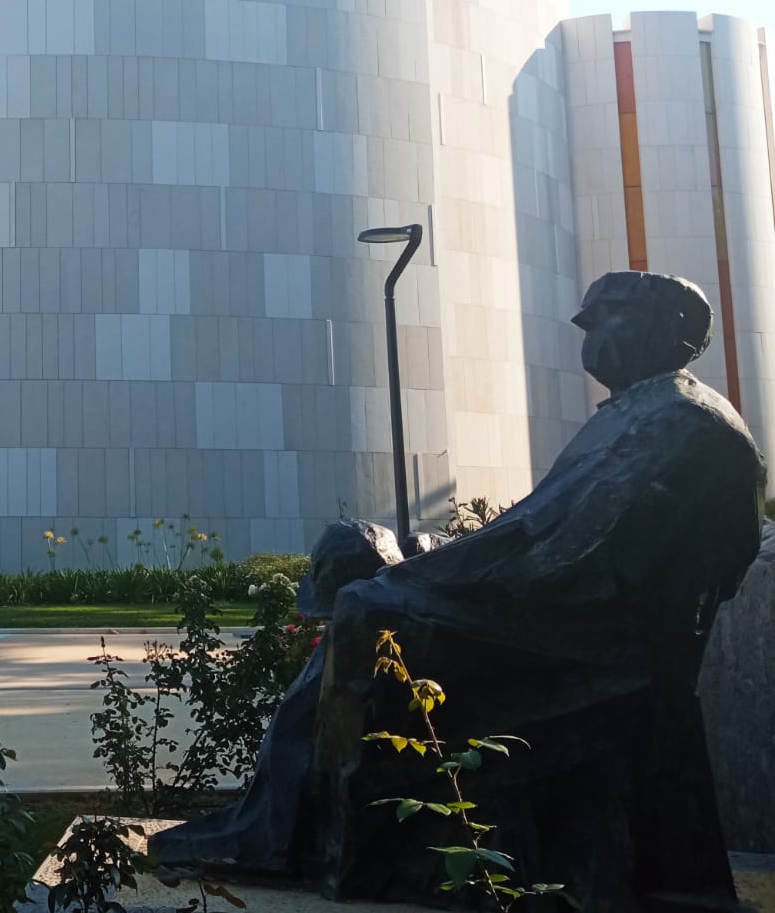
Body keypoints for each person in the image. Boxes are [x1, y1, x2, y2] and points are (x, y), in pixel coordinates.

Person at [153, 272, 764, 913]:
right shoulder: (638, 412)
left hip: (597, 644)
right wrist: (425, 560)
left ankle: (295, 836)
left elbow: (566, 553)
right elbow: (537, 529)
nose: (591, 334)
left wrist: (418, 575)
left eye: (610, 316)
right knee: (367, 582)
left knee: (370, 609)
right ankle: (282, 825)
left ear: (672, 331)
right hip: (568, 614)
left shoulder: (684, 422)